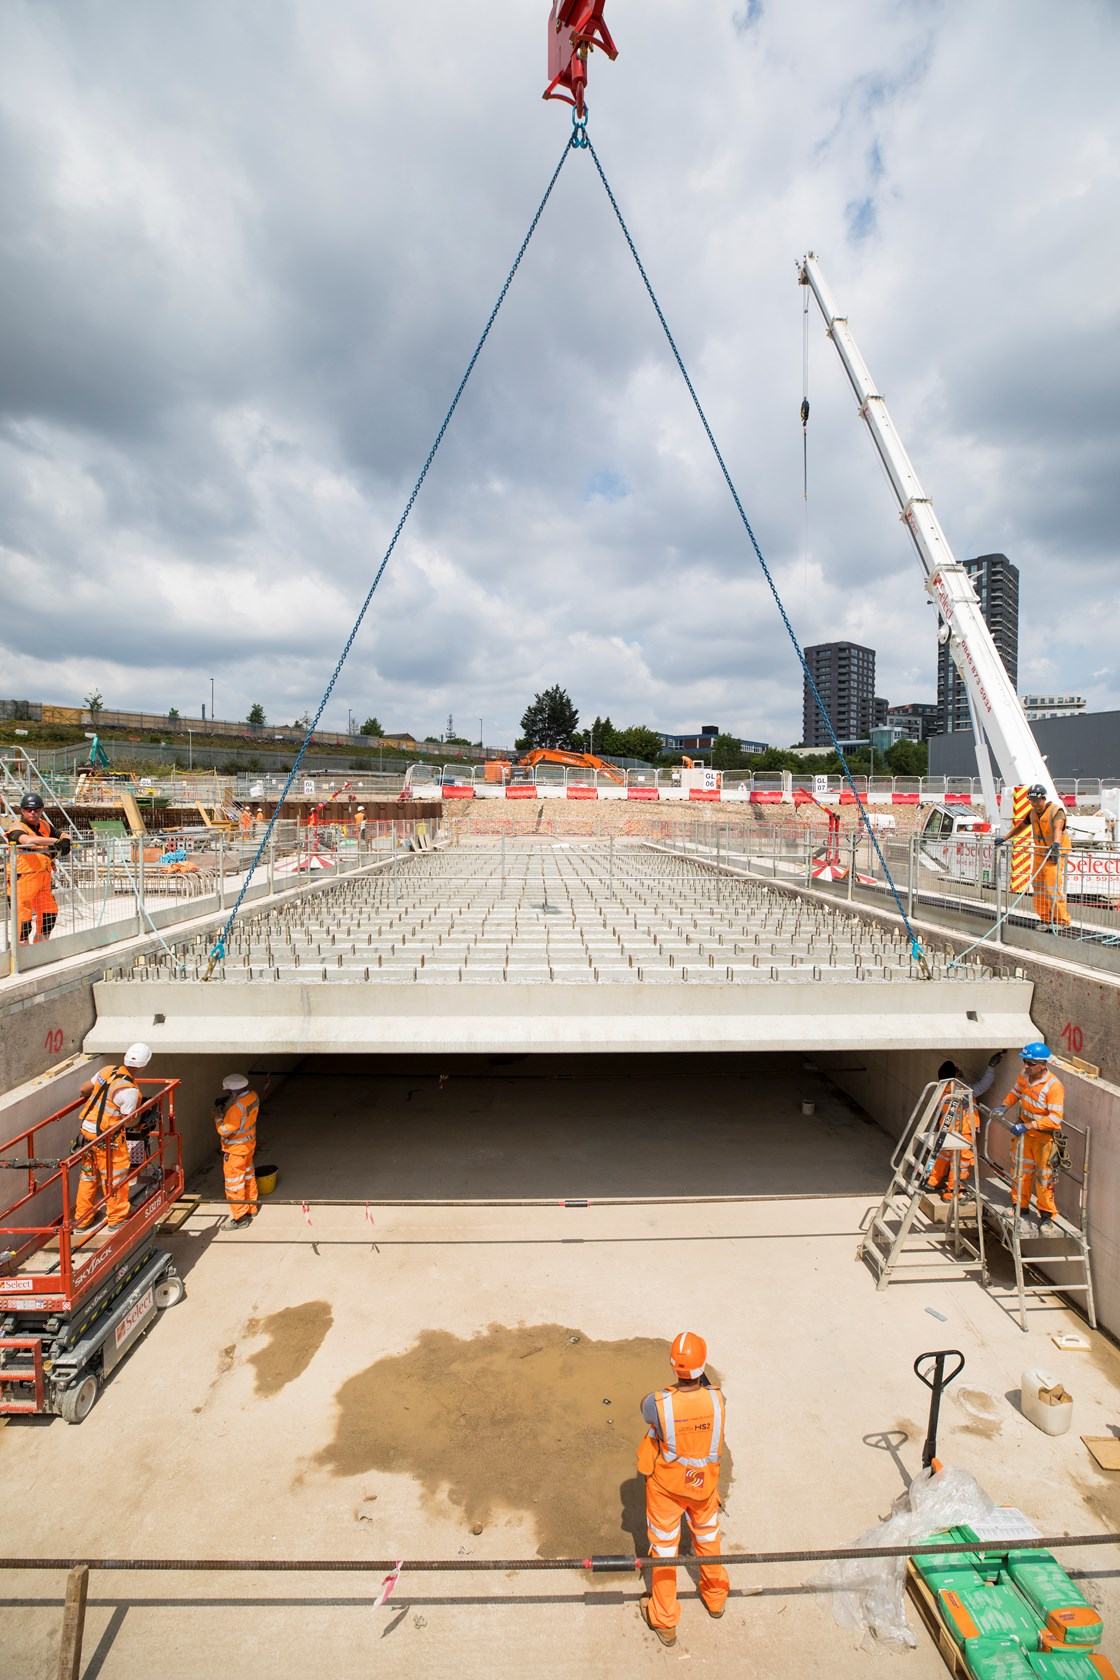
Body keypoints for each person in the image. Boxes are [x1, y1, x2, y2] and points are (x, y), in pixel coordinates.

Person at [637, 1331, 729, 1647]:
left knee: (664, 1551)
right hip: (704, 1487)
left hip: (668, 1489)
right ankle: (715, 1597)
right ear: (703, 1365)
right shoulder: (718, 1399)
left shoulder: (658, 1403)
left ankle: (664, 1620)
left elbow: (645, 1409)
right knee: (707, 1537)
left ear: (673, 1366)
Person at [74, 1042, 152, 1233]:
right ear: (143, 1065)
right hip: (107, 1141)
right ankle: (116, 1219)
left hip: (85, 1135)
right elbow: (127, 1123)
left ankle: (82, 1221)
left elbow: (84, 1090)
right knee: (115, 1179)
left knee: (88, 1176)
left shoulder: (107, 1070)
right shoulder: (130, 1091)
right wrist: (142, 1117)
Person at [1001, 1043, 1064, 1234]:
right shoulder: (1024, 1075)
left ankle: (1046, 1217)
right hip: (1025, 1135)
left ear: (1042, 1065)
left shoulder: (1054, 1086)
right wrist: (1004, 1106)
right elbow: (1016, 1092)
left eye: (1029, 1063)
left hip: (1044, 1139)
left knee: (1044, 1178)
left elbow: (1055, 1118)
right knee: (1020, 1170)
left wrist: (1027, 1126)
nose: (1025, 1066)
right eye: (1024, 1061)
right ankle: (1020, 1205)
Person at [925, 1053, 1003, 1200]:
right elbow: (983, 1085)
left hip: (945, 1129)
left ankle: (931, 1181)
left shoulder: (941, 1089)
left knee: (941, 1157)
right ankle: (953, 1192)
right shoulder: (962, 1089)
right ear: (955, 1074)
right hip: (963, 1132)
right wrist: (991, 1067)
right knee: (961, 1163)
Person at [995, 784, 1071, 928]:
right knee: (1039, 887)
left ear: (1043, 798)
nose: (1035, 804)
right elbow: (1021, 826)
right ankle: (1046, 918)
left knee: (1052, 888)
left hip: (1054, 854)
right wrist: (1005, 838)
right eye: (1032, 801)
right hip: (1040, 853)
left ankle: (1062, 920)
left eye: (1037, 801)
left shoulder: (1056, 811)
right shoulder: (1032, 813)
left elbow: (1058, 828)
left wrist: (1056, 843)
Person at [6, 792, 68, 944]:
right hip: (22, 880)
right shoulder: (16, 828)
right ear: (22, 810)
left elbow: (66, 835)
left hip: (43, 880)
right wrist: (55, 841)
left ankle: (41, 947)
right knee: (23, 921)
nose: (32, 812)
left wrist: (65, 842)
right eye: (28, 809)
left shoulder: (45, 826)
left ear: (42, 810)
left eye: (37, 809)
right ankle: (22, 954)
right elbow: (28, 840)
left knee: (49, 914)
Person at [213, 1073, 259, 1230]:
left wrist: (218, 1118)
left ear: (231, 1092)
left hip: (235, 1150)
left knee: (234, 1184)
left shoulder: (235, 1109)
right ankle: (252, 1208)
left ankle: (240, 1218)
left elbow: (225, 1130)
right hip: (248, 1145)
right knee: (248, 1176)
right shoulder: (253, 1097)